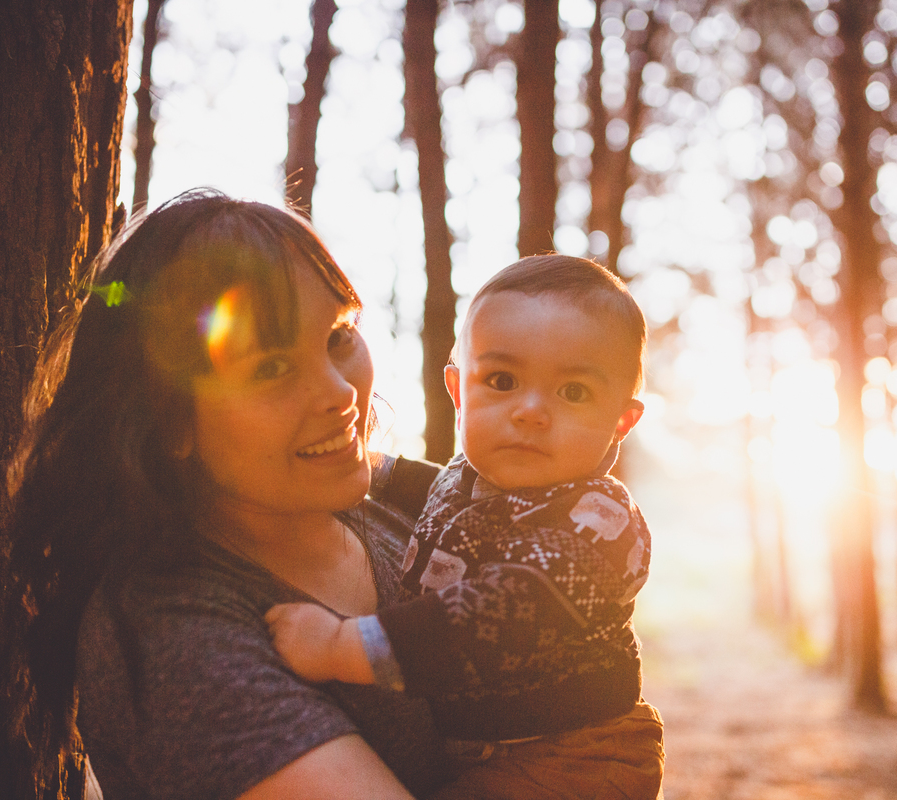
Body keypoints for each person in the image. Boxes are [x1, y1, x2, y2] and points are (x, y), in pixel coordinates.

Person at [8, 190, 456, 799]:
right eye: (272, 367)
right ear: (172, 423)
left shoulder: (408, 509)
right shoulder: (174, 638)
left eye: (338, 336)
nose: (341, 394)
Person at [267, 255, 665, 799]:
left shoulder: (598, 521)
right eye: (501, 380)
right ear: (458, 390)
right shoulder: (465, 478)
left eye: (572, 392)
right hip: (490, 751)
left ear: (621, 419)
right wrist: (340, 457)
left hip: (573, 755)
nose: (530, 410)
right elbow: (404, 481)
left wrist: (343, 645)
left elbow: (503, 613)